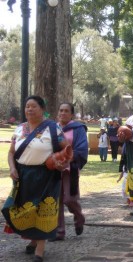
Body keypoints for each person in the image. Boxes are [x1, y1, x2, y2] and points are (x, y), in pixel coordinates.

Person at [1, 96, 70, 262]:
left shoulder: (53, 128)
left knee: (42, 210)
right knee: (24, 209)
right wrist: (12, 167)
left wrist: (61, 163)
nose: (29, 109)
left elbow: (67, 149)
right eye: (27, 107)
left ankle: (40, 249)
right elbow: (11, 152)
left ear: (42, 109)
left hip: (46, 175)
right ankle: (32, 239)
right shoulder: (19, 129)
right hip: (23, 175)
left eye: (33, 106)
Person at [50, 103, 88, 242]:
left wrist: (68, 158)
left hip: (70, 168)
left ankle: (79, 217)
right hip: (54, 168)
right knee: (56, 200)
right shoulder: (52, 128)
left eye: (66, 111)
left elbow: (82, 148)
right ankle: (59, 232)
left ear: (72, 114)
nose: (63, 113)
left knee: (69, 199)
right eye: (61, 110)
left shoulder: (78, 129)